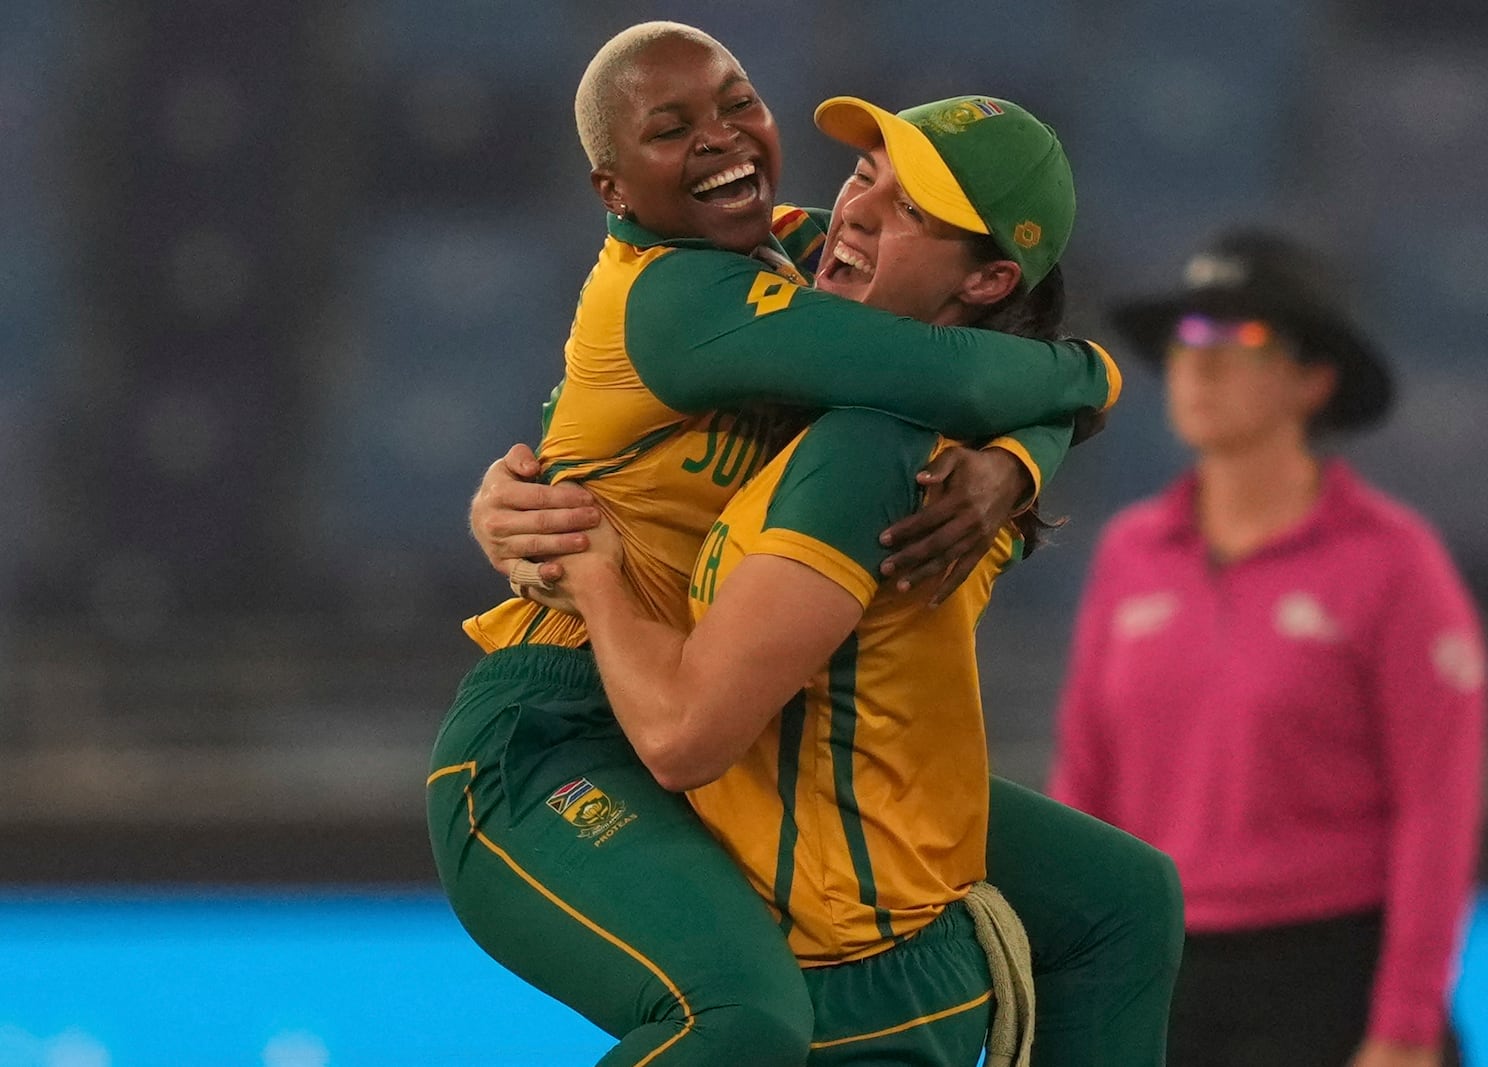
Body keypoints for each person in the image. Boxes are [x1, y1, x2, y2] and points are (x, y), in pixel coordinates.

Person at [427, 21, 1174, 1067]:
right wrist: (1082, 384)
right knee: (736, 1019)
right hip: (553, 726)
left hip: (723, 706)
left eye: (738, 104)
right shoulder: (679, 295)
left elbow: (967, 358)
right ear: (610, 188)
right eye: (670, 126)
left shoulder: (793, 247)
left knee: (1121, 896)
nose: (858, 211)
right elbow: (965, 372)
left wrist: (1023, 455)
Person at [1048, 228, 1488, 1067]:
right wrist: (1070, 987)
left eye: (1240, 338)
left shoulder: (1393, 562)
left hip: (1330, 976)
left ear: (1312, 380)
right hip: (1163, 972)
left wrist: (1403, 1025)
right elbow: (1085, 783)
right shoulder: (1131, 552)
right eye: (1187, 338)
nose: (1199, 364)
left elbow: (1438, 809)